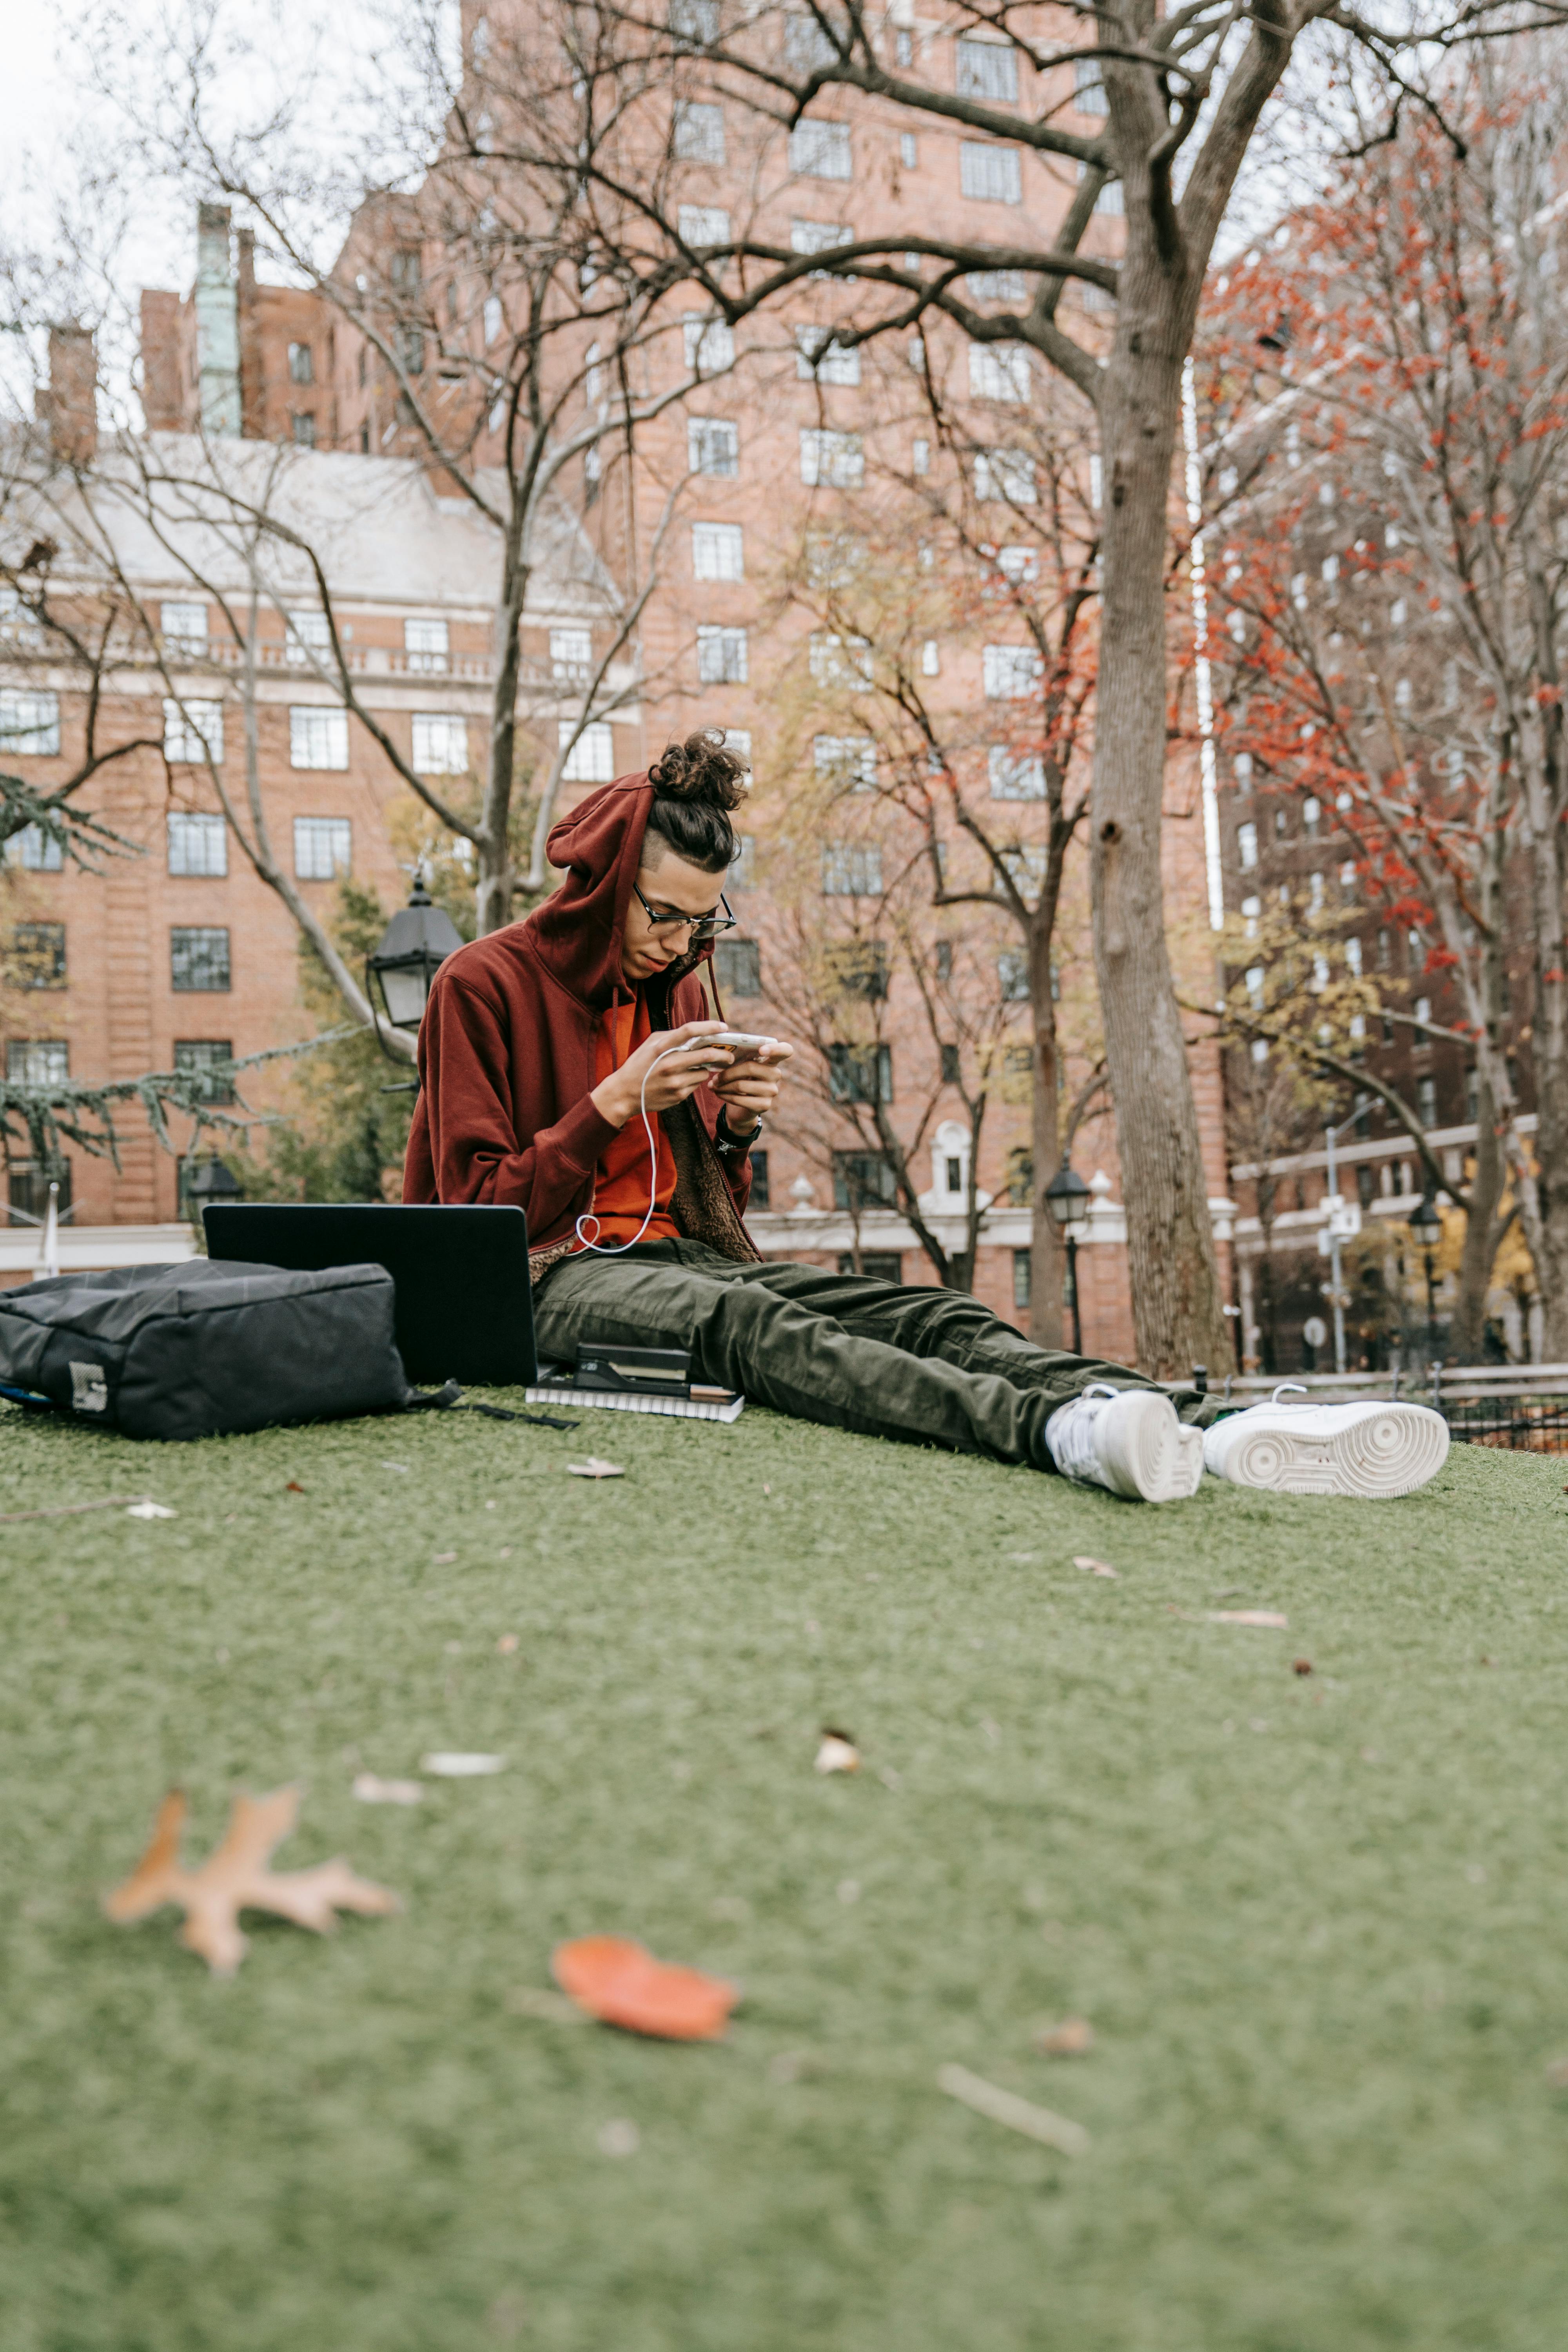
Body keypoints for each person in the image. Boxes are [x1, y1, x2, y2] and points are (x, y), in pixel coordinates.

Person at [404, 733, 1445, 1504]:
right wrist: (611, 1102)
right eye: (662, 914)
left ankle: (1201, 1420)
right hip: (549, 1283)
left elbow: (685, 1202)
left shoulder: (678, 986)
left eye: (701, 920)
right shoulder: (478, 984)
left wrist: (734, 1134)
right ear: (602, 887)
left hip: (682, 1261)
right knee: (757, 1327)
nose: (681, 945)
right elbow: (471, 1222)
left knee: (931, 1315)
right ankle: (1060, 1431)